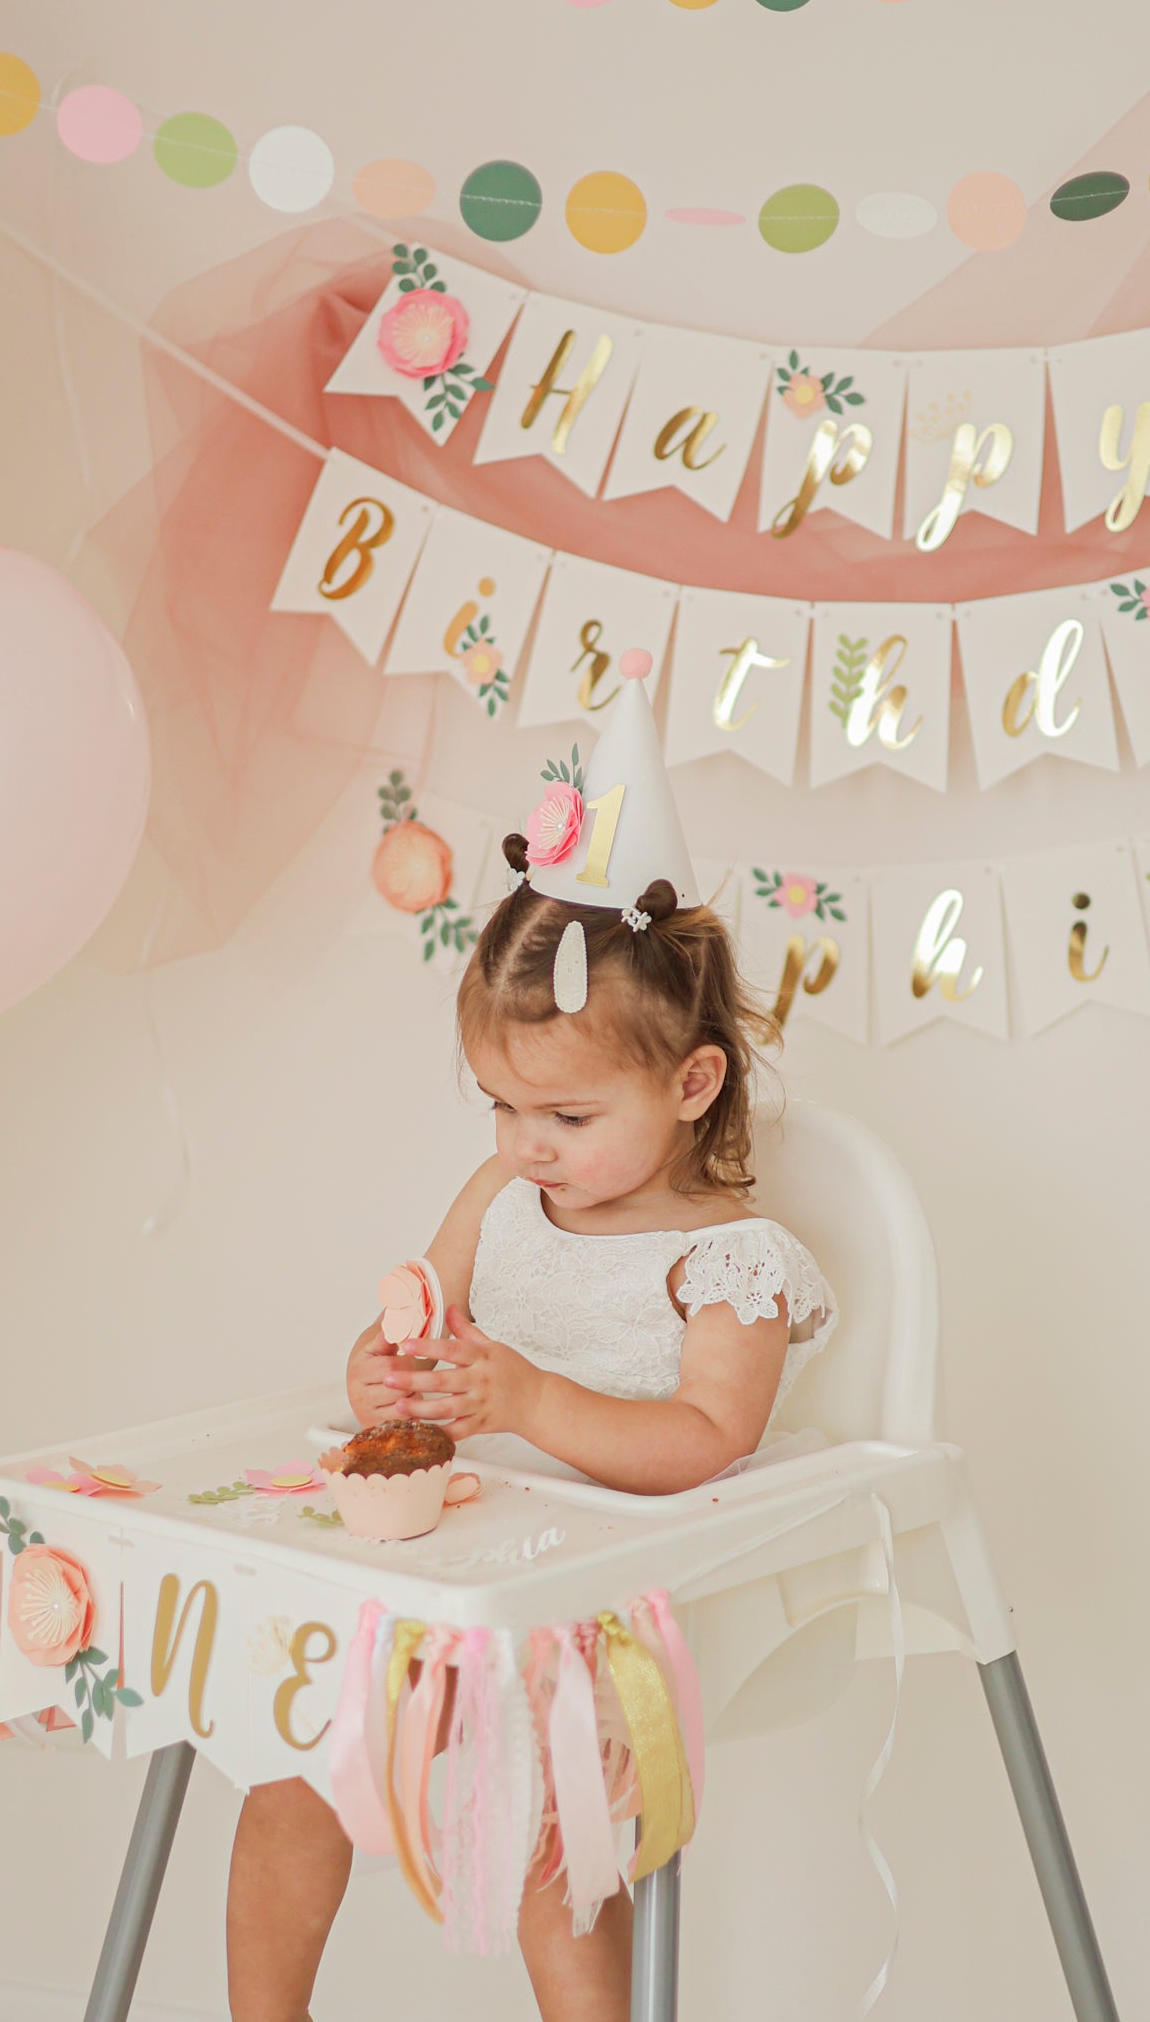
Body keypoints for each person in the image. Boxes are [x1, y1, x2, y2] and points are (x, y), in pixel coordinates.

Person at [227, 651, 837, 2022]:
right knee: (289, 1759)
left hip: (618, 1597)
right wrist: (382, 1371)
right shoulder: (502, 1198)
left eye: (565, 1119)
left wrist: (528, 1397)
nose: (525, 1147)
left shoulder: (728, 1262)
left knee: (548, 1803)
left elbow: (703, 1444)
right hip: (459, 1560)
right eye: (503, 1108)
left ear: (692, 1084)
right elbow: (420, 1331)